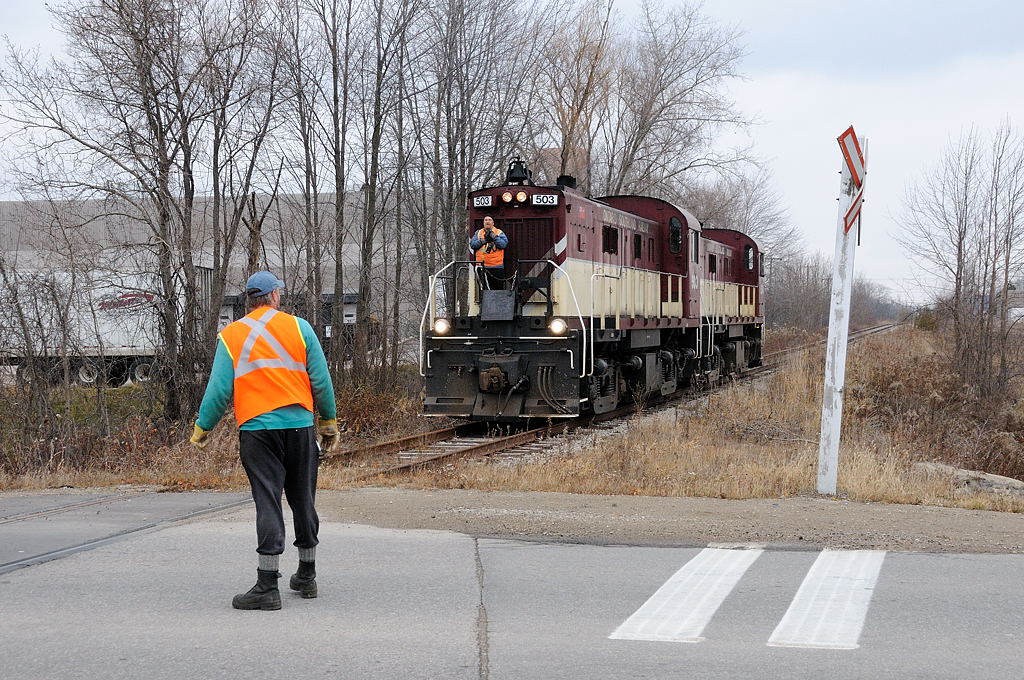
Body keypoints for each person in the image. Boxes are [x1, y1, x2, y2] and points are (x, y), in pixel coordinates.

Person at [190, 270, 339, 611]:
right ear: (274, 297)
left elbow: (218, 389)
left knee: (267, 501)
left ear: (249, 300)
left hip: (258, 431)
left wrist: (203, 428)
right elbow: (321, 379)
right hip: (300, 427)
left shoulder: (231, 335)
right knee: (303, 498)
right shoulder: (300, 328)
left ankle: (267, 585)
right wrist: (328, 422)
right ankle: (307, 575)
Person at [469, 216, 508, 289]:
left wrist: (494, 237)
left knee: (498, 290)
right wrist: (484, 240)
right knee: (484, 290)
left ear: (493, 223)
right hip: (481, 267)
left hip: (496, 267)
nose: (487, 221)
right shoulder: (478, 233)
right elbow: (473, 245)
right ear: (483, 223)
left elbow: (503, 244)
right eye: (485, 220)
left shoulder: (499, 232)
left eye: (489, 220)